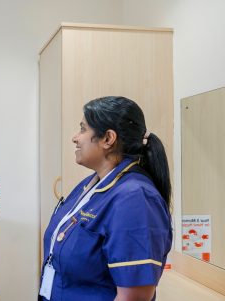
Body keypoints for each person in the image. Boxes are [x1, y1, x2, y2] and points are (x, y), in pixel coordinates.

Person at [39, 96, 172, 301]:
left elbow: (134, 296)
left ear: (108, 139)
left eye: (83, 129)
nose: (75, 137)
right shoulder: (92, 185)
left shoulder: (135, 198)